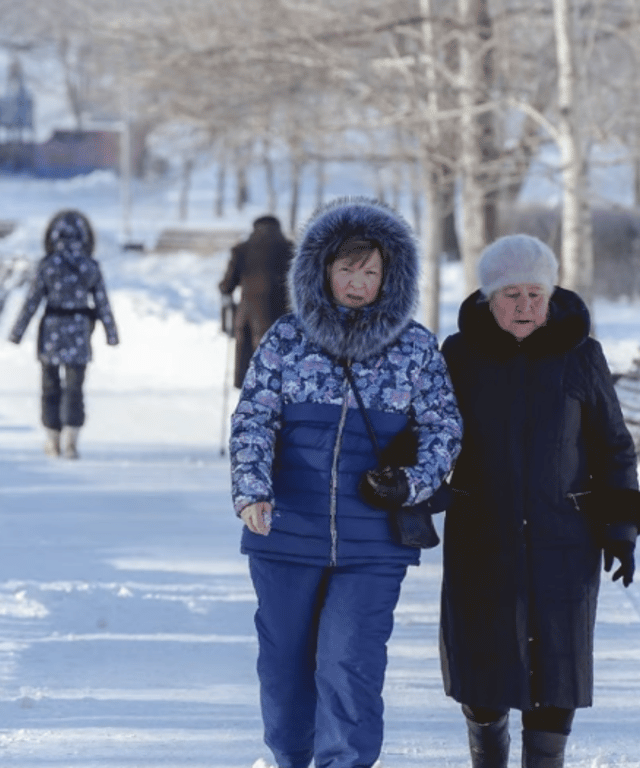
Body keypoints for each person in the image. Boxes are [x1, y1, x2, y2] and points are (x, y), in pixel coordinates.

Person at [229, 197, 462, 768]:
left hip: (373, 544)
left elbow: (443, 426)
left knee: (349, 663)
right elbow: (254, 418)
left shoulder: (414, 347)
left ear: (391, 277)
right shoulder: (285, 340)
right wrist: (252, 489)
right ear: (322, 270)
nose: (358, 283)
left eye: (371, 272)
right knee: (284, 666)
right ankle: (292, 757)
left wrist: (410, 482)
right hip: (285, 533)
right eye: (347, 269)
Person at [438, 234, 640, 768]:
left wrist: (620, 530)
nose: (526, 307)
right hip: (481, 539)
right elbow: (428, 436)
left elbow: (614, 447)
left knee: (556, 673)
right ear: (489, 299)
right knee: (483, 677)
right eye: (511, 295)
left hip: (565, 542)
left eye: (536, 294)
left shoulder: (581, 355)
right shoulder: (460, 356)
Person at [8, 209, 119, 459]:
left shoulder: (47, 265)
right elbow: (102, 302)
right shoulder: (90, 266)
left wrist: (17, 332)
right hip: (80, 331)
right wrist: (111, 333)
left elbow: (32, 301)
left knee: (50, 386)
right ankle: (71, 440)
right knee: (74, 387)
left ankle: (52, 439)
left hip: (52, 332)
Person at [219, 214, 294, 388]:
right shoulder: (290, 250)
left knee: (246, 369)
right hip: (278, 313)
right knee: (272, 365)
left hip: (246, 315)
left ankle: (245, 396)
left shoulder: (242, 250)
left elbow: (227, 286)